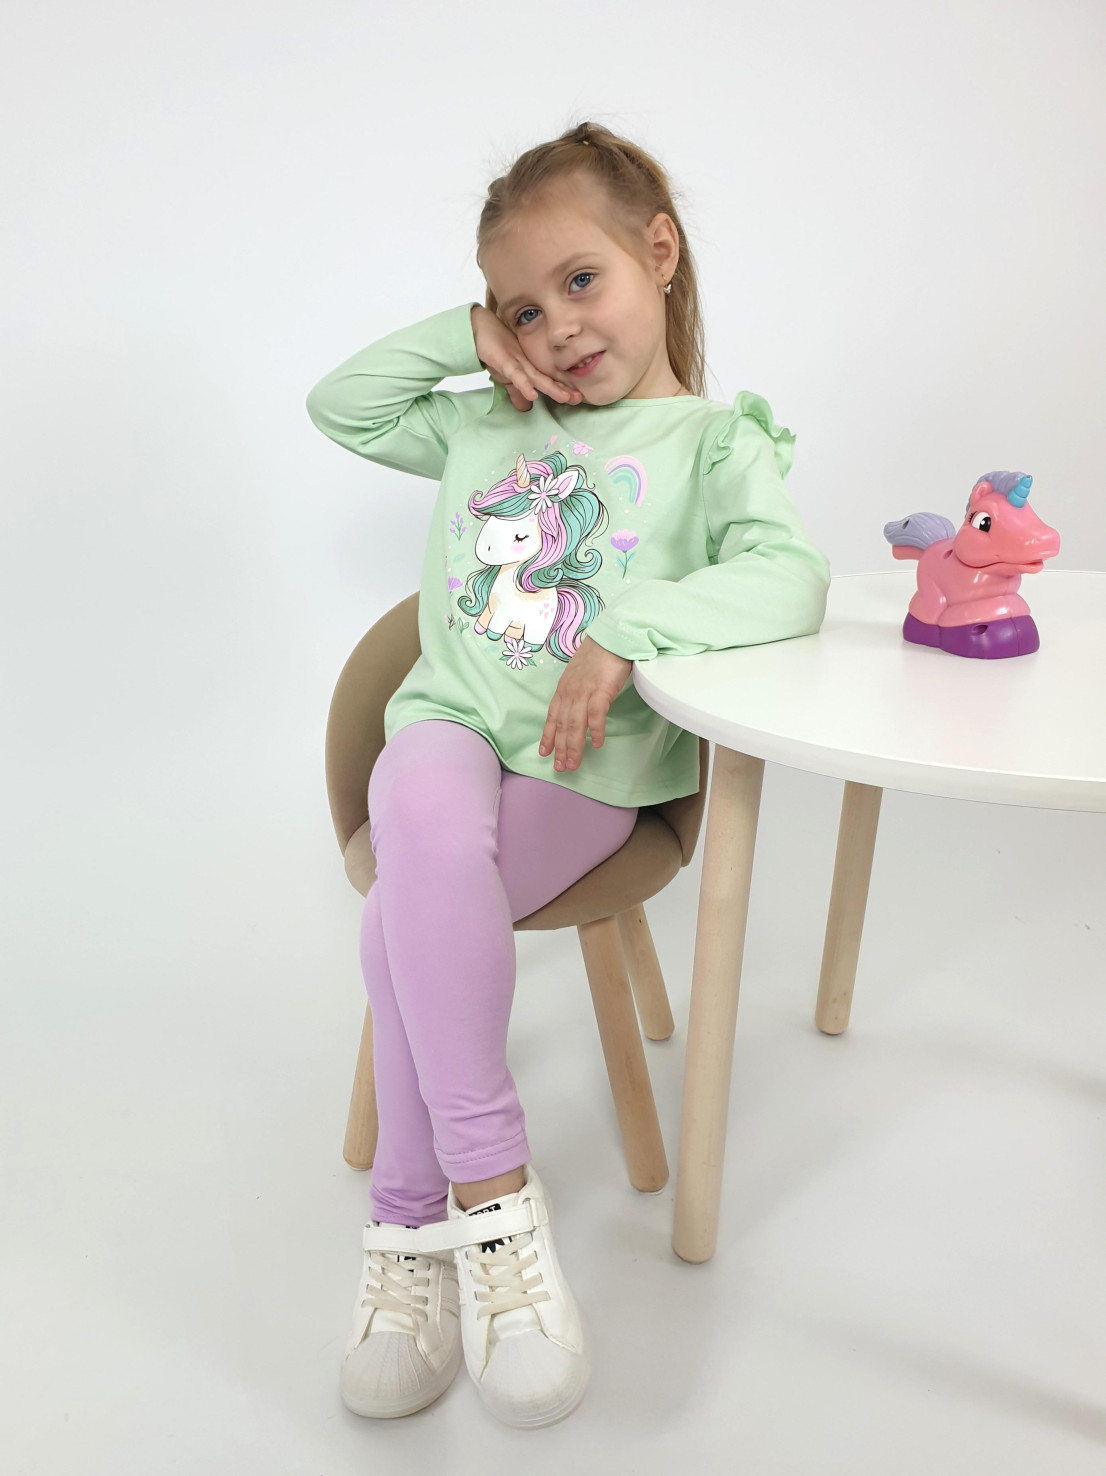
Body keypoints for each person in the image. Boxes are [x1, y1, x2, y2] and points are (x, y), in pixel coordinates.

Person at [305, 118, 832, 1430]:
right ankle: (492, 1207)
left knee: (404, 915)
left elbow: (789, 577)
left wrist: (626, 632)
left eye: (580, 280)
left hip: (588, 773)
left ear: (660, 251)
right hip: (448, 727)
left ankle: (407, 1226)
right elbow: (342, 405)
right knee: (419, 808)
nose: (557, 329)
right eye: (522, 308)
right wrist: (463, 338)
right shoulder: (493, 421)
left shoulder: (714, 443)